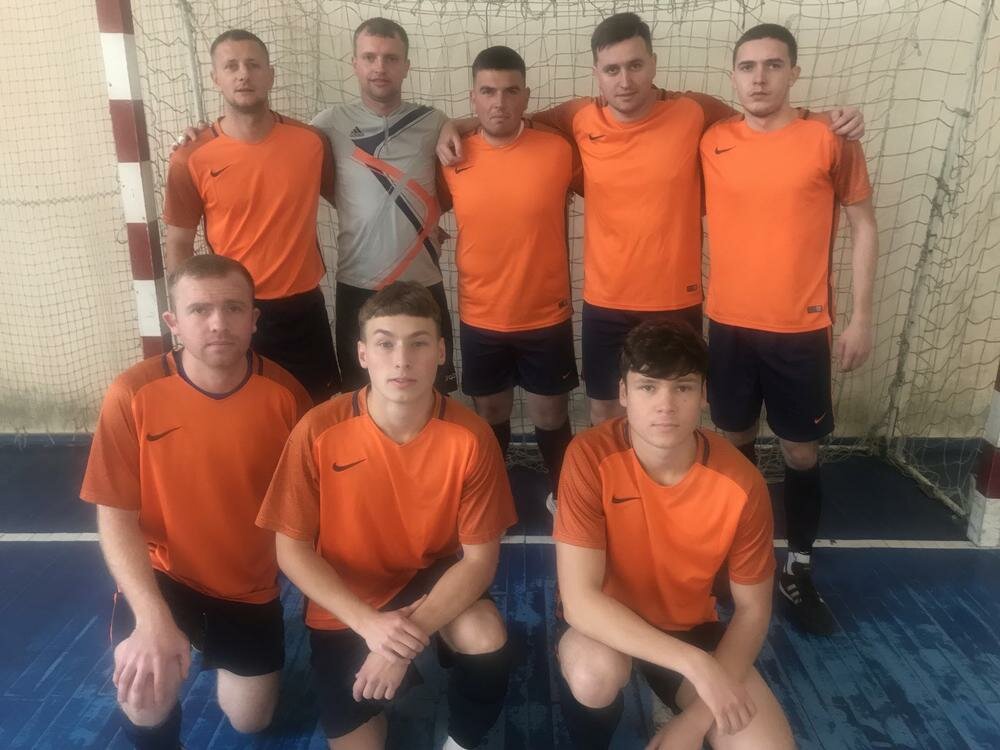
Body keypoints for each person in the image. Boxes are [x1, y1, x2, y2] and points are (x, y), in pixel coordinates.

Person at [438, 12, 864, 425]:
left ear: (654, 64)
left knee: (671, 413)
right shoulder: (576, 117)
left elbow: (763, 122)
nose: (624, 81)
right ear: (597, 73)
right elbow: (507, 117)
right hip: (605, 300)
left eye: (635, 65)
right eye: (612, 69)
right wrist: (449, 125)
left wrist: (826, 121)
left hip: (675, 300)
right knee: (604, 413)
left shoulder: (695, 111)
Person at [256, 281, 517, 750]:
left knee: (484, 633)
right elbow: (291, 549)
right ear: (362, 354)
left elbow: (479, 561)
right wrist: (369, 625)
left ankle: (460, 741)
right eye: (385, 343)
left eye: (418, 343)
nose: (402, 360)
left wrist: (403, 642)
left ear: (441, 352)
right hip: (350, 596)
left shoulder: (472, 437)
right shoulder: (318, 429)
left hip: (429, 578)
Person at [80, 255, 312, 749]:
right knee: (144, 691)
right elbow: (115, 518)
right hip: (166, 578)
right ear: (173, 322)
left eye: (233, 308)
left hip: (248, 588)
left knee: (252, 721)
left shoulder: (287, 397)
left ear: (254, 318)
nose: (218, 323)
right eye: (200, 309)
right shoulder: (133, 394)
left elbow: (311, 511)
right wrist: (151, 618)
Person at [700, 23, 877, 635]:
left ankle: (798, 566)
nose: (759, 78)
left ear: (793, 73)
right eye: (748, 67)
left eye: (773, 65)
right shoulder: (711, 139)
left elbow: (864, 227)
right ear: (732, 77)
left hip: (801, 332)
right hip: (728, 327)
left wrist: (861, 317)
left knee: (800, 451)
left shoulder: (830, 138)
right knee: (734, 444)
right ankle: (739, 557)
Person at [554, 320, 794, 750]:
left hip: (690, 627)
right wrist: (697, 666)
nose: (665, 405)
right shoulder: (589, 457)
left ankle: (673, 698)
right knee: (594, 676)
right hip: (606, 623)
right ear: (624, 394)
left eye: (682, 387)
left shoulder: (742, 482)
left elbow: (753, 611)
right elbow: (579, 601)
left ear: (703, 395)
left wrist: (694, 722)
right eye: (648, 387)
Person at [438, 45, 579, 510]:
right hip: (481, 314)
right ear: (473, 98)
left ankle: (565, 496)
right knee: (491, 411)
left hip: (545, 314)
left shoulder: (558, 150)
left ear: (526, 96)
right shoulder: (452, 155)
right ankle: (491, 496)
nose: (499, 102)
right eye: (488, 91)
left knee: (549, 412)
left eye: (510, 91)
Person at [164, 29, 340, 401]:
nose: (243, 74)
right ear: (216, 77)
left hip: (303, 306)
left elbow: (350, 200)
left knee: (315, 412)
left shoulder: (311, 142)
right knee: (245, 410)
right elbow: (179, 241)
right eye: (231, 66)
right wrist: (186, 312)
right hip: (233, 311)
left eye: (253, 65)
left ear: (270, 75)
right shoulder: (191, 156)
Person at [310, 18, 458, 393]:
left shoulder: (433, 121)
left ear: (406, 66)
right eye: (370, 57)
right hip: (359, 283)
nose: (380, 67)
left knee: (430, 393)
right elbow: (277, 140)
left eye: (391, 58)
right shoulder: (328, 124)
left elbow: (485, 128)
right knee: (360, 395)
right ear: (354, 63)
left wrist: (454, 124)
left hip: (422, 283)